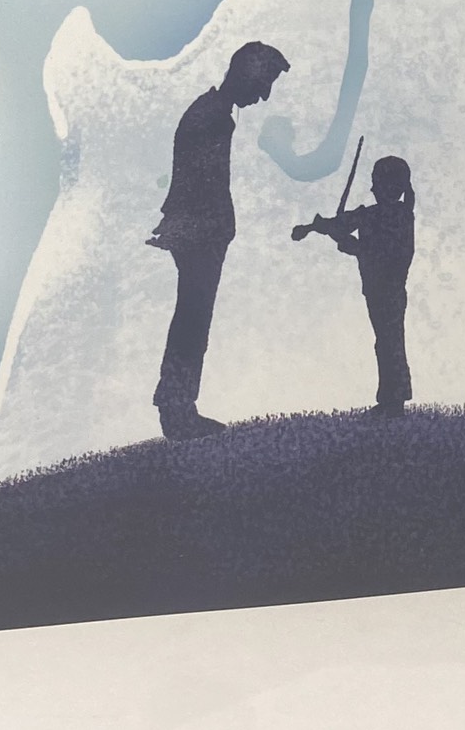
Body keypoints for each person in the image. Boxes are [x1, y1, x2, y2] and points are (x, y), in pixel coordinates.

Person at [147, 41, 290, 439]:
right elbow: (202, 184)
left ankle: (177, 405)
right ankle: (177, 408)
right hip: (199, 232)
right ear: (246, 74)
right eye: (263, 83)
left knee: (192, 318)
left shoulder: (211, 112)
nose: (264, 95)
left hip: (198, 230)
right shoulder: (213, 118)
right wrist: (212, 227)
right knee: (193, 320)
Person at [302, 154, 415, 415]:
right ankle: (391, 399)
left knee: (389, 341)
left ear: (389, 186)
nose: (372, 188)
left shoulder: (397, 216)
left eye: (376, 182)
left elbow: (384, 253)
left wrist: (353, 246)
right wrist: (314, 227)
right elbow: (339, 225)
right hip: (377, 290)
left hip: (389, 289)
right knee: (385, 341)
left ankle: (394, 400)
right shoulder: (378, 214)